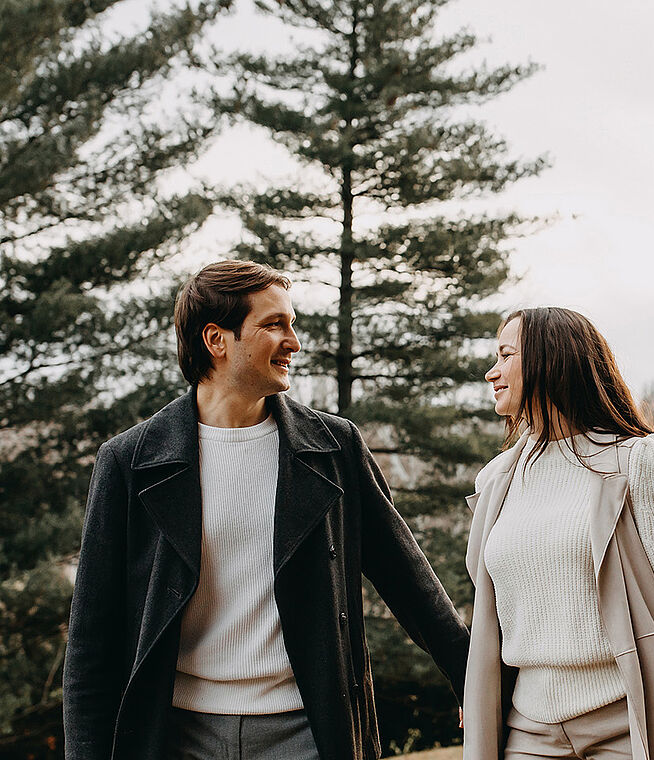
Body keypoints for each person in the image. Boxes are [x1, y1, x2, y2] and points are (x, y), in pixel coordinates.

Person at [62, 260, 471, 760]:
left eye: (292, 324)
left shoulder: (334, 447)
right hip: (173, 736)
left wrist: (475, 678)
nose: (294, 342)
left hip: (308, 732)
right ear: (216, 340)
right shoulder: (128, 461)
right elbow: (90, 640)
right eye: (274, 324)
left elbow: (408, 582)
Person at [461, 307, 654, 760]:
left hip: (633, 727)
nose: (490, 371)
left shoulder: (642, 461)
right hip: (528, 734)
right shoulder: (496, 480)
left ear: (551, 360)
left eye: (506, 355)